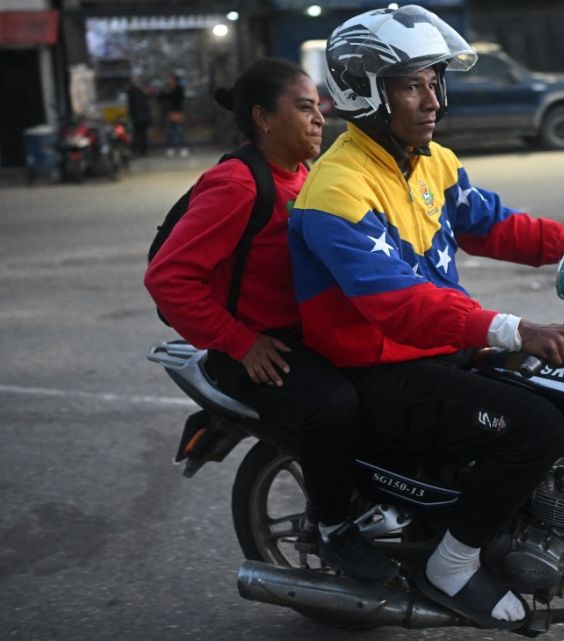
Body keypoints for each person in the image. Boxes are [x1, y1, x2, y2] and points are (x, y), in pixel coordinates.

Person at [288, 6, 564, 627]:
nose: (433, 99)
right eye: (412, 84)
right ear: (363, 90)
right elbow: (395, 305)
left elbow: (492, 223)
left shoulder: (429, 159)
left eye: (436, 82)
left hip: (440, 346)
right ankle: (454, 564)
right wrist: (518, 329)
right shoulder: (337, 188)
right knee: (533, 426)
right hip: (379, 368)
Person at [144, 58, 396, 585]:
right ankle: (332, 525)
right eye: (304, 108)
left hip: (304, 334)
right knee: (335, 403)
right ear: (263, 117)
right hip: (256, 351)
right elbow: (168, 279)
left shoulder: (305, 176)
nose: (318, 119)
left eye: (319, 108)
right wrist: (240, 342)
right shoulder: (236, 185)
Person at [158, 73, 188, 158]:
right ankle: (170, 148)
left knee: (180, 132)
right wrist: (166, 91)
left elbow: (179, 99)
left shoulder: (179, 89)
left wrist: (170, 92)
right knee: (169, 132)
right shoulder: (165, 89)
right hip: (168, 114)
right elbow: (160, 98)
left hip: (177, 112)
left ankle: (183, 148)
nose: (168, 81)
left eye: (170, 79)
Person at [126, 76, 152, 156]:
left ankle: (140, 150)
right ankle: (139, 150)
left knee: (140, 134)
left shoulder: (137, 91)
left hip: (139, 116)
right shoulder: (134, 91)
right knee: (138, 134)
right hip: (138, 116)